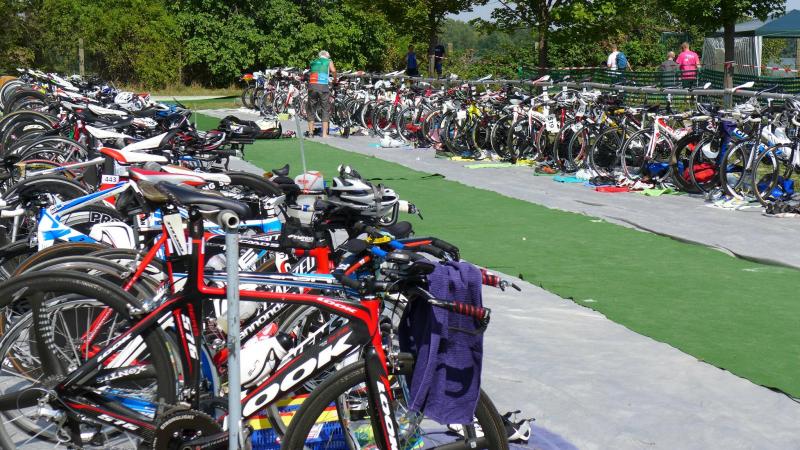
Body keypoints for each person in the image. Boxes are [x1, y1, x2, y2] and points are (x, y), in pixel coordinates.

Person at [306, 50, 336, 138]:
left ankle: (311, 132)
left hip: (312, 86)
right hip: (323, 86)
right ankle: (324, 134)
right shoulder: (328, 61)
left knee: (311, 109)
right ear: (327, 56)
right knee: (325, 109)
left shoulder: (313, 62)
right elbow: (333, 70)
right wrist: (335, 79)